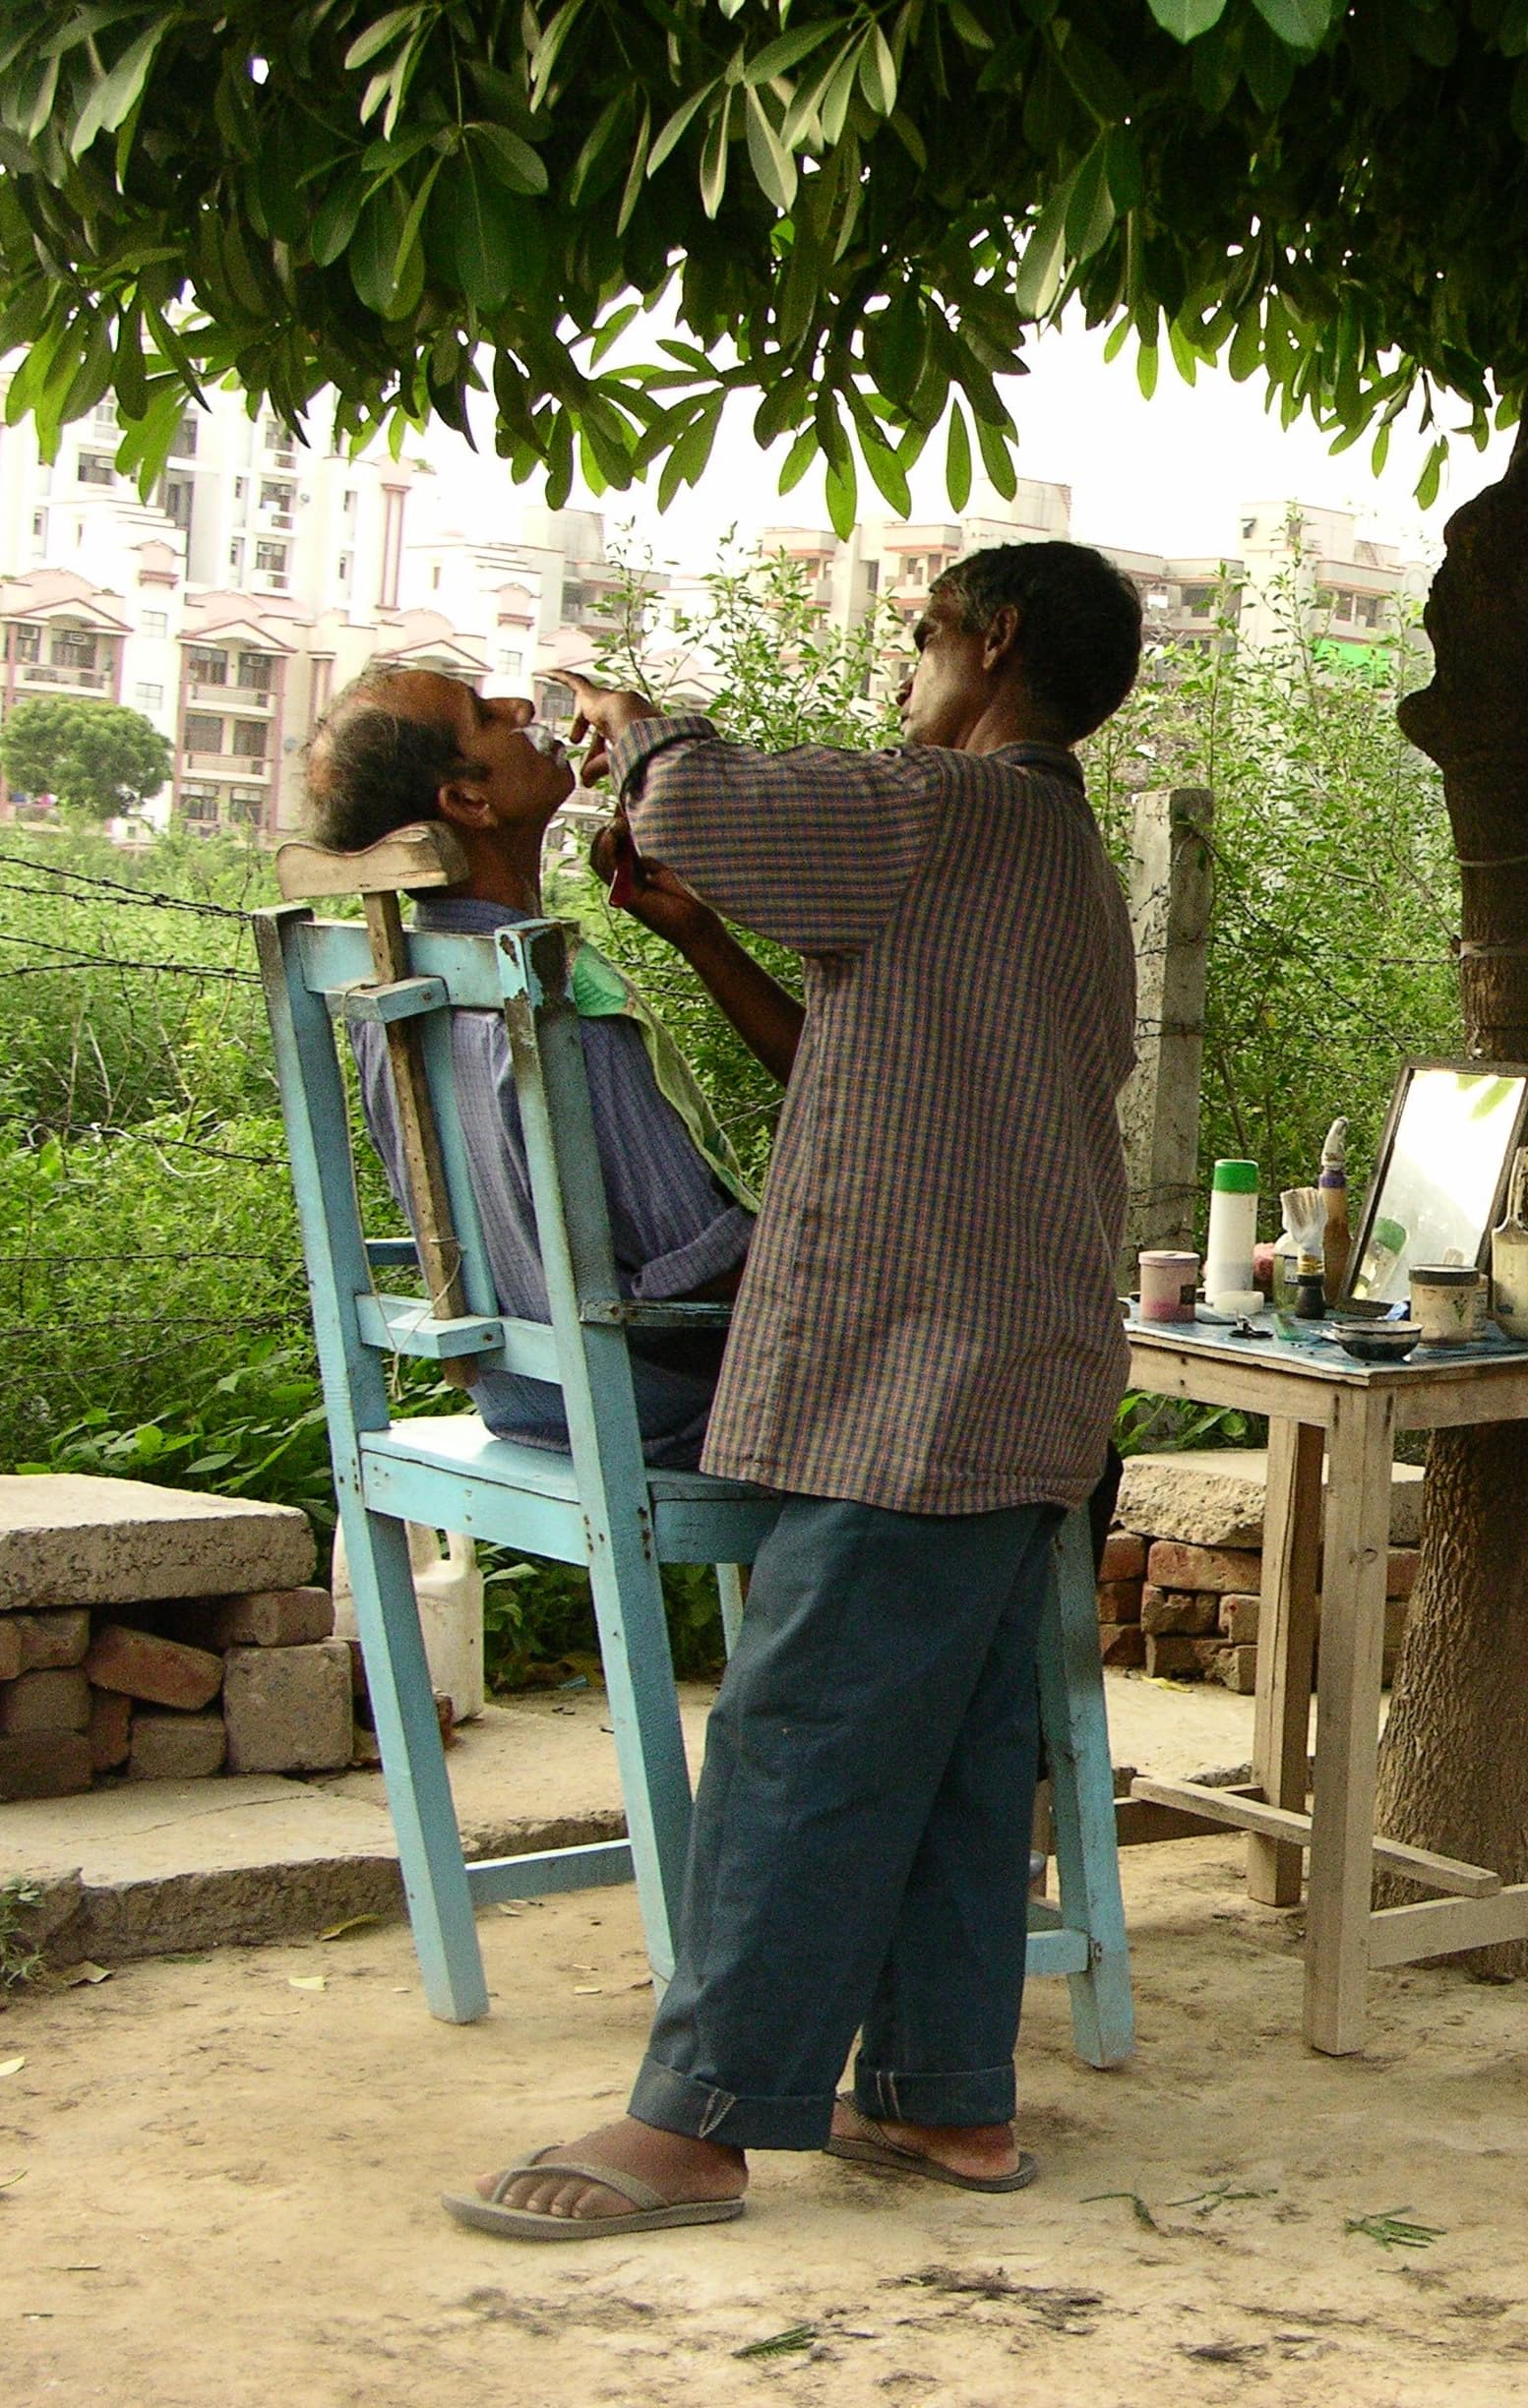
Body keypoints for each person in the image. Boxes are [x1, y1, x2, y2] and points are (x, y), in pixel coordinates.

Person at [444, 539, 1144, 2240]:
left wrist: (636, 725)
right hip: (1016, 1354)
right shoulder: (1047, 856)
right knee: (962, 1747)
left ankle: (697, 2121)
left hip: (931, 1358)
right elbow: (840, 1061)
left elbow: (697, 805)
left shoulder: (944, 808)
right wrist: (694, 942)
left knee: (806, 1724)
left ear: (992, 642)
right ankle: (944, 2102)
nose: (903, 674)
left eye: (918, 638)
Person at [308, 669, 802, 1467]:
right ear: (469, 803)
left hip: (523, 1398)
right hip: (661, 1404)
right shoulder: (549, 995)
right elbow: (698, 1272)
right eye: (482, 715)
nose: (521, 709)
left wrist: (699, 934)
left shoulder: (398, 990)